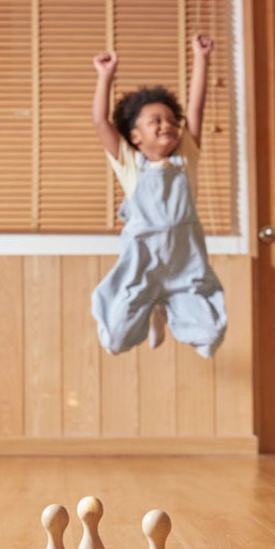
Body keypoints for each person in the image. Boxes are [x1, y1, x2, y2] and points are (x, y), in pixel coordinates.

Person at [90, 33, 227, 359]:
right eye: (155, 121)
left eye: (170, 120)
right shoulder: (131, 165)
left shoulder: (186, 158)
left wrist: (202, 59)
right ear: (135, 137)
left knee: (210, 337)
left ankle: (166, 307)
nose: (166, 125)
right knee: (116, 339)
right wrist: (105, 76)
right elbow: (99, 121)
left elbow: (196, 106)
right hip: (143, 263)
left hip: (185, 261)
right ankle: (152, 307)